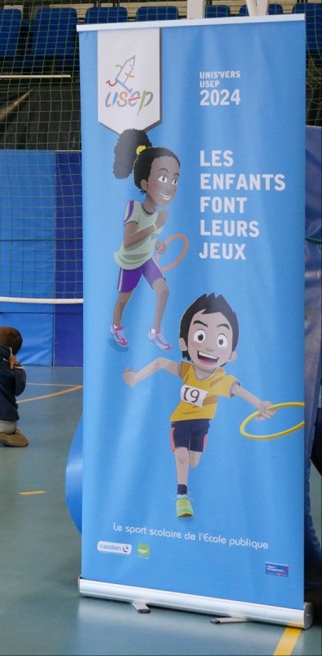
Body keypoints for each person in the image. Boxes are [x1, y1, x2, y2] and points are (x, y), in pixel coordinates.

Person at [123, 293, 274, 518]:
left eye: (221, 340)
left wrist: (259, 404)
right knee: (182, 457)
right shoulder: (187, 370)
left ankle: (189, 474)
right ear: (184, 342)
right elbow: (161, 362)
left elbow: (238, 391)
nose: (210, 346)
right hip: (180, 421)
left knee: (193, 461)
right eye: (200, 335)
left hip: (202, 425)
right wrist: (136, 378)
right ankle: (182, 497)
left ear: (232, 354)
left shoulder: (220, 379)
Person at [110, 128, 181, 351]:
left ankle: (155, 332)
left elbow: (150, 238)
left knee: (163, 290)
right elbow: (129, 240)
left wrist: (158, 243)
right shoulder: (134, 207)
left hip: (146, 259)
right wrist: (154, 227)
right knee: (123, 300)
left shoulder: (159, 214)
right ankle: (116, 327)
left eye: (174, 179)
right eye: (162, 178)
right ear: (144, 184)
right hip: (130, 261)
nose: (169, 185)